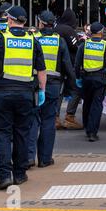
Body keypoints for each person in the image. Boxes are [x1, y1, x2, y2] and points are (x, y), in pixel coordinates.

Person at [0, 6, 47, 191]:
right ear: (24, 22)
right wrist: (42, 90)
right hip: (26, 94)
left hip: (1, 93)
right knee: (22, 133)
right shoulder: (33, 41)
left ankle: (4, 176)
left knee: (2, 134)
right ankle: (19, 174)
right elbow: (41, 70)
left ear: (9, 20)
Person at [28, 11, 75, 168]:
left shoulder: (33, 39)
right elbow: (67, 65)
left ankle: (29, 158)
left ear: (41, 23)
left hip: (34, 85)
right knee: (48, 121)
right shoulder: (59, 41)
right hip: (54, 85)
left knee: (33, 120)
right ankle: (45, 159)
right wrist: (74, 84)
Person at [75, 22, 106, 142]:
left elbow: (77, 64)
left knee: (87, 103)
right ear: (101, 32)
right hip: (100, 79)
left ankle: (87, 127)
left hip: (86, 79)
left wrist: (77, 78)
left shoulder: (84, 45)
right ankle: (92, 132)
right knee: (96, 106)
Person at [54, 8, 83, 130]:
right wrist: (81, 41)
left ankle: (55, 118)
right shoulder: (68, 29)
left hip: (56, 65)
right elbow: (75, 46)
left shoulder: (56, 28)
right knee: (76, 89)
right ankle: (69, 117)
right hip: (68, 65)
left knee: (59, 92)